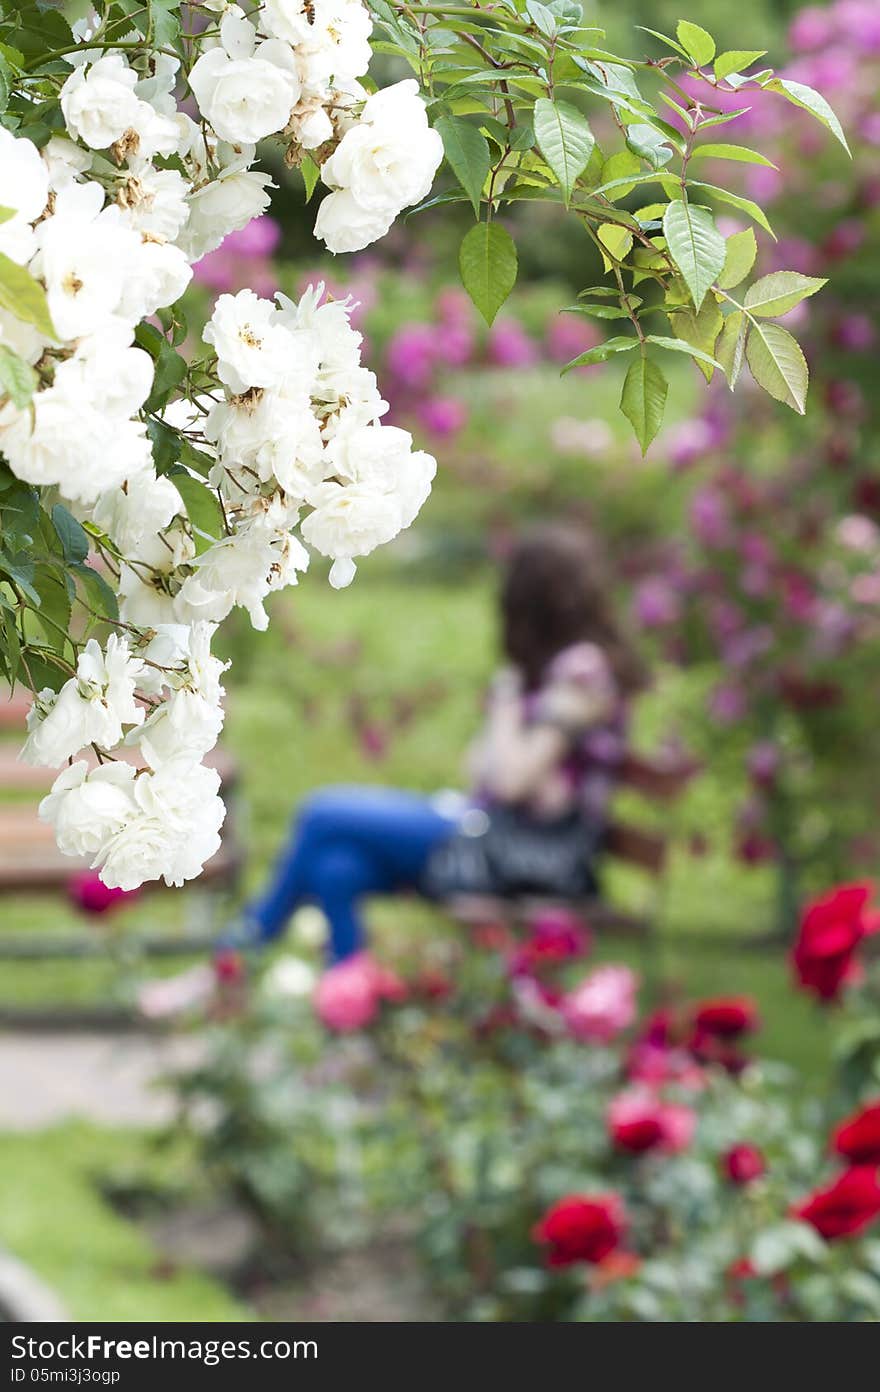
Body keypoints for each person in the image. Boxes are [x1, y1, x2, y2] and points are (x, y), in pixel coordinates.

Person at [139, 523, 647, 1016]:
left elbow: (509, 780)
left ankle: (228, 973)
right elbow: (485, 768)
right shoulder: (564, 670)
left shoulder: (581, 671)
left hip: (528, 855)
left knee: (323, 813)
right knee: (337, 868)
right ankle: (347, 1012)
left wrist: (509, 700)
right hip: (495, 836)